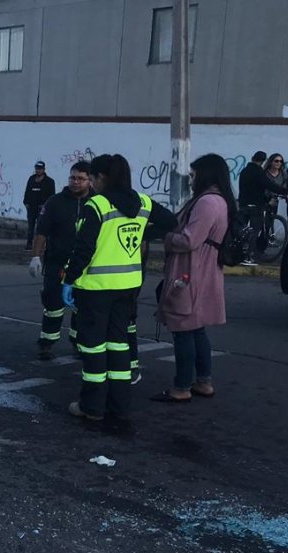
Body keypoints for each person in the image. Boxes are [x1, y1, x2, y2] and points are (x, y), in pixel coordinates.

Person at [62, 154, 174, 426]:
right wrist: (142, 233)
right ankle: (119, 406)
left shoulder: (97, 205)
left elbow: (84, 248)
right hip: (128, 287)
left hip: (95, 288)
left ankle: (92, 406)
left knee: (93, 348)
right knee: (119, 345)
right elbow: (171, 222)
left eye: (92, 178)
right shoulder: (144, 202)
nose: (91, 183)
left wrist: (69, 280)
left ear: (101, 177)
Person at [152, 154, 231, 403]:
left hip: (191, 270)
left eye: (193, 174)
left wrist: (166, 236)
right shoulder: (217, 199)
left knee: (183, 327)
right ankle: (203, 381)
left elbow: (189, 239)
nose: (190, 179)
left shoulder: (207, 202)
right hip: (203, 268)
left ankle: (182, 387)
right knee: (196, 329)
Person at [30, 161, 92, 360]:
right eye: (72, 177)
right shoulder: (55, 202)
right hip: (57, 262)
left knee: (82, 307)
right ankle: (46, 343)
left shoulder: (97, 203)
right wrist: (35, 256)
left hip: (85, 264)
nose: (75, 182)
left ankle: (78, 343)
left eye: (81, 179)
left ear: (90, 181)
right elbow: (41, 231)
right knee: (53, 305)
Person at [22, 161, 56, 251]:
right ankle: (29, 244)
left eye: (40, 169)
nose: (38, 170)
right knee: (31, 227)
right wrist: (25, 202)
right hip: (31, 207)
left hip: (42, 208)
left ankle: (41, 245)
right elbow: (27, 191)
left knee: (41, 227)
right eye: (37, 169)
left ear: (44, 169)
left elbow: (52, 195)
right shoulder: (31, 179)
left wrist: (46, 206)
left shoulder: (49, 181)